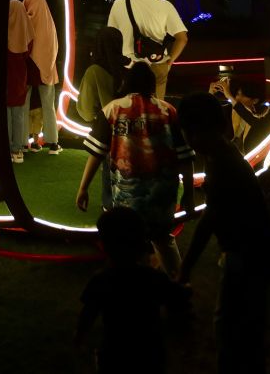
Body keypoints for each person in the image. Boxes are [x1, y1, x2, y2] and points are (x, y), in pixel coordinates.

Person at [177, 92, 270, 374]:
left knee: (230, 326)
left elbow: (209, 220)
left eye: (187, 132)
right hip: (255, 250)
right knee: (243, 325)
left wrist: (185, 268)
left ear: (195, 132)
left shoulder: (222, 163)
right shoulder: (221, 155)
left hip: (251, 253)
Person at [75, 62, 191, 276]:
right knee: (164, 240)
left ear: (126, 82)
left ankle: (129, 285)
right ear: (152, 84)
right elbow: (184, 157)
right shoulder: (168, 111)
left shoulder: (112, 109)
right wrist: (189, 193)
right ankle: (179, 283)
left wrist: (83, 188)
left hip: (126, 198)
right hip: (162, 197)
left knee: (125, 246)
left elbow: (96, 153)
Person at [75, 207, 190, 374]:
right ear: (142, 243)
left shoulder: (101, 280)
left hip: (114, 354)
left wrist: (79, 337)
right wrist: (184, 287)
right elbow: (178, 300)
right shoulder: (153, 278)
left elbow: (88, 313)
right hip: (149, 353)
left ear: (104, 245)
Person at [107, 0, 188, 101]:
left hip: (128, 66)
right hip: (156, 64)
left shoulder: (118, 4)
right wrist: (169, 62)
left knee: (129, 108)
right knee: (156, 108)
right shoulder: (165, 6)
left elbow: (111, 36)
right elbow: (182, 38)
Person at [23, 0, 62, 153]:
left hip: (27, 68)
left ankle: (23, 142)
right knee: (48, 106)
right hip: (45, 69)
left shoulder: (25, 20)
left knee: (24, 106)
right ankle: (53, 143)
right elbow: (54, 47)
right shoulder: (49, 22)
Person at [209, 73, 270, 155]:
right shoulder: (230, 110)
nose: (237, 98)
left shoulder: (263, 116)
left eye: (242, 95)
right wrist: (210, 94)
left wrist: (229, 96)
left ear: (255, 101)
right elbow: (209, 113)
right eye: (237, 94)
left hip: (252, 157)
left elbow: (253, 121)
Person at [76, 27, 127, 123]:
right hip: (125, 126)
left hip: (105, 126)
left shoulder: (93, 72)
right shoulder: (128, 71)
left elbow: (86, 113)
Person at [6, 0, 32, 163]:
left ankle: (7, 148)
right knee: (18, 113)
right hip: (20, 74)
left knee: (6, 113)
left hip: (5, 74)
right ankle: (18, 150)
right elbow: (29, 49)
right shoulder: (26, 28)